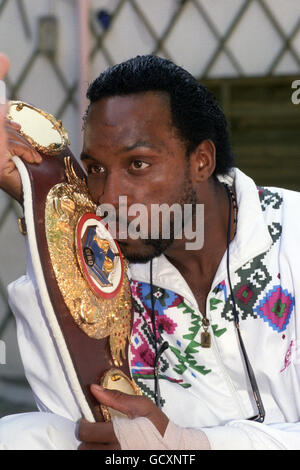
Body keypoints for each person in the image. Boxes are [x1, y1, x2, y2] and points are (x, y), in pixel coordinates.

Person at [0, 54, 300, 450]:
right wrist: (37, 197)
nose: (109, 197)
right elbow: (76, 416)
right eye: (96, 169)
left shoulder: (291, 235)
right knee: (22, 436)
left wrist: (193, 444)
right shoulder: (105, 263)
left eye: (137, 164)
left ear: (202, 161)